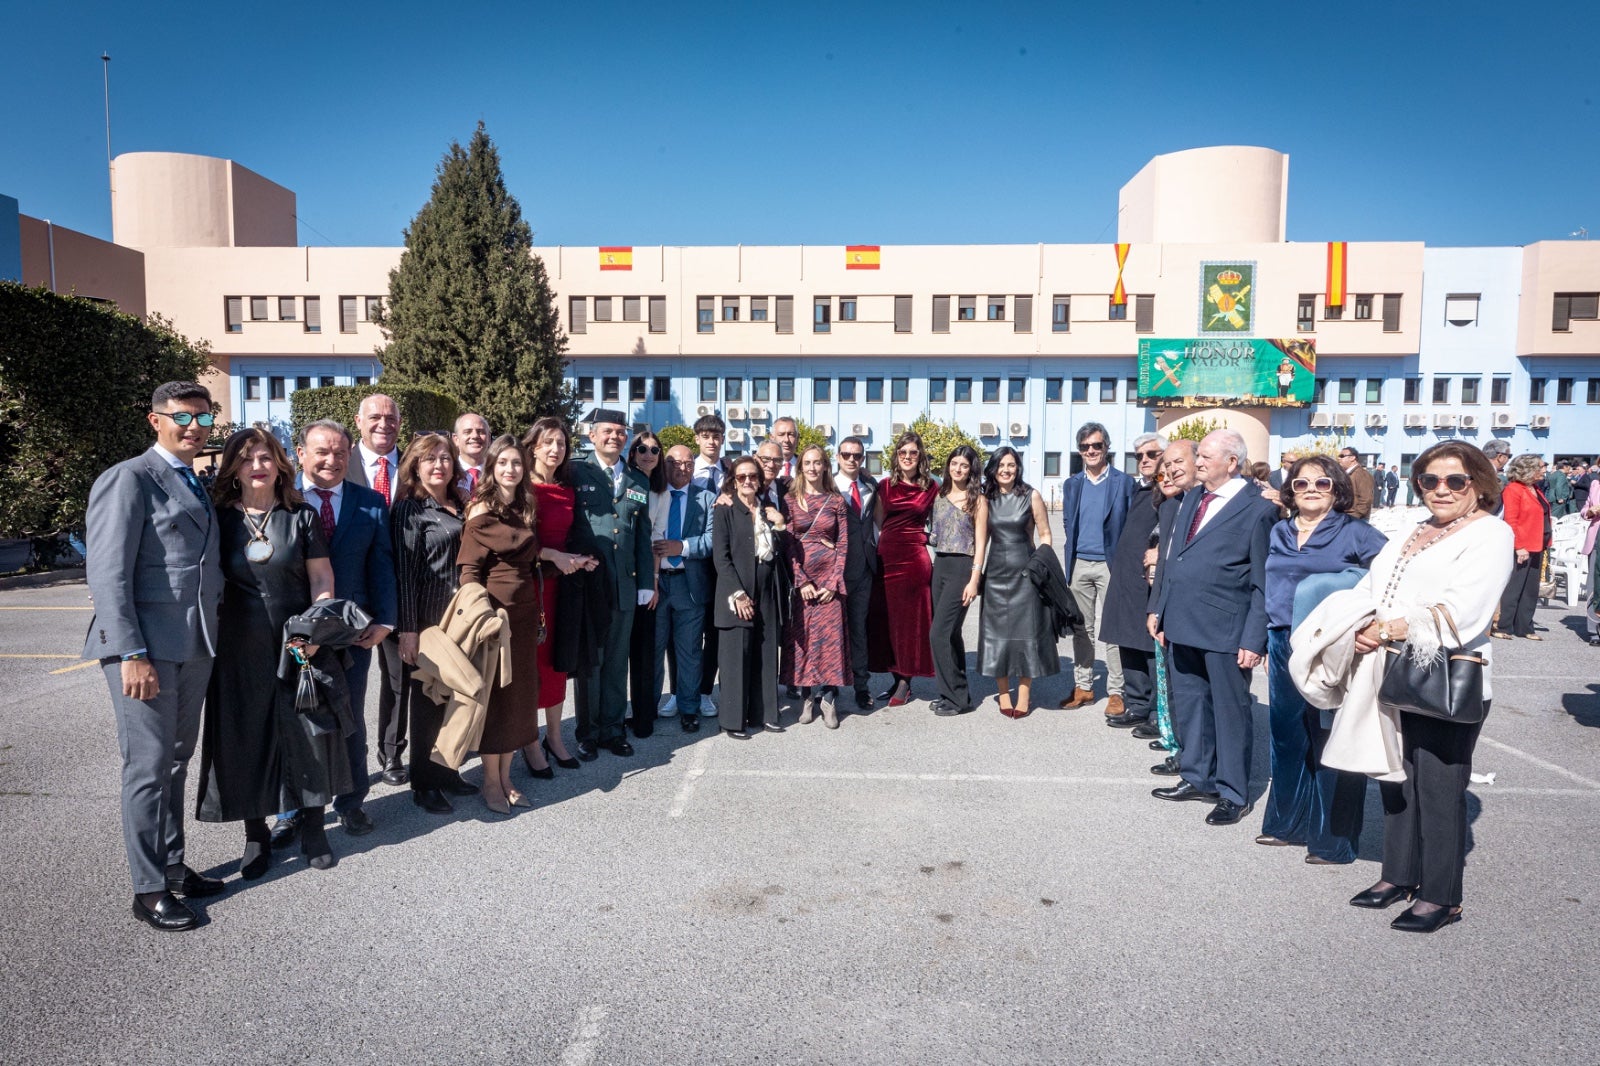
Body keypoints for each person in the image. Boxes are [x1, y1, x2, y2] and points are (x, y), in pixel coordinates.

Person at [1313, 442, 1513, 932]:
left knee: (1440, 784)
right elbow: (1373, 586)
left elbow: (1465, 612)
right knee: (1396, 775)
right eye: (1429, 480)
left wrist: (1384, 630)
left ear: (1478, 485)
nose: (1440, 490)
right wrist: (1357, 624)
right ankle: (1398, 875)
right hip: (1391, 667)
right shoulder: (1414, 530)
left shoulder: (1491, 534)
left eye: (1455, 481)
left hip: (1447, 673)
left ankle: (1442, 896)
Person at [84, 381, 226, 931]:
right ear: (155, 421)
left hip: (193, 645)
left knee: (174, 762)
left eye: (204, 419)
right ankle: (147, 891)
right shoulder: (129, 479)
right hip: (145, 649)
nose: (195, 428)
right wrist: (131, 652)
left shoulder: (194, 479)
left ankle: (171, 866)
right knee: (146, 768)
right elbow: (109, 573)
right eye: (183, 418)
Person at [195, 429, 341, 872]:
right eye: (245, 459)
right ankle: (256, 836)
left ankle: (314, 828)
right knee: (246, 740)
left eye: (264, 457)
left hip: (297, 647)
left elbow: (321, 581)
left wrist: (315, 631)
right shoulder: (218, 518)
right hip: (237, 650)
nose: (256, 465)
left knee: (307, 738)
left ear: (279, 464)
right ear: (233, 470)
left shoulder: (302, 516)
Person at [269, 420, 396, 848]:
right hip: (291, 633)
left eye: (341, 453)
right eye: (322, 451)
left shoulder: (370, 503)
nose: (332, 460)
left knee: (349, 718)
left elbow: (382, 566)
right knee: (293, 720)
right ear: (299, 453)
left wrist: (385, 621)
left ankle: (351, 801)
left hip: (352, 635)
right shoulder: (278, 502)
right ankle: (291, 810)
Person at [1256, 456, 1388, 863]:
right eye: (1302, 483)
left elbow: (1389, 583)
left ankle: (1333, 840)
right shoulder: (1279, 531)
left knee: (1331, 739)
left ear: (1337, 490)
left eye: (1323, 483)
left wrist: (1370, 630)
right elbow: (1263, 589)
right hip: (1283, 642)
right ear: (1290, 491)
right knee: (1287, 736)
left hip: (1332, 648)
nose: (1312, 489)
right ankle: (1286, 824)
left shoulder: (1356, 533)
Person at [1147, 429, 1277, 826]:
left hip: (1226, 630)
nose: (1196, 461)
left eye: (1204, 456)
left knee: (1229, 713)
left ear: (1232, 463)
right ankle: (1197, 775)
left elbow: (1263, 580)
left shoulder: (1258, 509)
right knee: (1190, 707)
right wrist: (1160, 609)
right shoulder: (1193, 498)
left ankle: (1233, 792)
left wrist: (1255, 637)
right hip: (1181, 623)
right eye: (1197, 455)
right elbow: (1174, 559)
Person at [390, 432, 479, 814]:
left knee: (455, 700)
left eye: (445, 458)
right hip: (428, 621)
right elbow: (405, 575)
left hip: (462, 619)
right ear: (415, 466)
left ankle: (447, 771)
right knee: (427, 703)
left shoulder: (460, 503)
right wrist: (408, 631)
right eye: (430, 459)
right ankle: (423, 783)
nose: (439, 464)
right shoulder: (410, 510)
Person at [457, 435, 544, 814]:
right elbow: (469, 572)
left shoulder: (523, 507)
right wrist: (482, 616)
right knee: (495, 703)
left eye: (517, 463)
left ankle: (507, 778)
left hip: (524, 619)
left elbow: (530, 561)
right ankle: (489, 782)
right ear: (491, 467)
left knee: (519, 701)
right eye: (503, 463)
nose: (511, 469)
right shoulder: (481, 511)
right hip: (495, 621)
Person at [569, 409, 654, 760]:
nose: (614, 437)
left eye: (621, 432)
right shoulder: (576, 472)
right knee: (592, 662)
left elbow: (642, 537)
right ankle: (587, 732)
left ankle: (613, 729)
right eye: (607, 431)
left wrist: (646, 583)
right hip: (590, 584)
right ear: (592, 435)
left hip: (625, 584)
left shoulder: (637, 480)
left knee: (618, 662)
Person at [522, 417, 598, 772]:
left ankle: (555, 736)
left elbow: (571, 537)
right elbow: (513, 541)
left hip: (560, 587)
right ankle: (529, 741)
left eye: (562, 444)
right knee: (529, 668)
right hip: (528, 587)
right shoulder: (520, 487)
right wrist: (552, 555)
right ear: (534, 445)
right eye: (548, 442)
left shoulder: (567, 489)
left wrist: (581, 559)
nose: (555, 449)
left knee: (556, 663)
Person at [343, 393, 408, 786]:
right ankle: (346, 764)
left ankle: (392, 753)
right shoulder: (338, 463)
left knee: (400, 680)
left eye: (391, 417)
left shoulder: (417, 464)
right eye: (375, 417)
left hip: (401, 590)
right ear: (358, 421)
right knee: (346, 687)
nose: (384, 423)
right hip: (350, 595)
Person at [1057, 422, 1137, 715]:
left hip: (1110, 564)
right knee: (1082, 628)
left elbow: (1132, 525)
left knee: (1113, 629)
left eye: (1096, 445)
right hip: (1079, 563)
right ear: (1080, 451)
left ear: (1107, 448)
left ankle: (1116, 691)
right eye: (1085, 447)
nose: (1091, 451)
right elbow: (1069, 521)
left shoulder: (1124, 482)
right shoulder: (1072, 484)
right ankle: (1084, 686)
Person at [979, 446, 1058, 717]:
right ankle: (1003, 693)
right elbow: (982, 541)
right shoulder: (986, 499)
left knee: (1027, 634)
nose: (1006, 470)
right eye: (1001, 465)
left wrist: (1040, 563)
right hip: (996, 575)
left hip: (1026, 573)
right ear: (993, 468)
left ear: (1018, 467)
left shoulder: (1031, 495)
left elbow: (1046, 534)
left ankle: (1024, 692)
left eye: (1011, 465)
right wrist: (976, 575)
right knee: (997, 635)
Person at [713, 455, 789, 737]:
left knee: (767, 652)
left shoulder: (767, 508)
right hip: (737, 590)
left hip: (767, 589)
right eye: (741, 477)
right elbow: (720, 558)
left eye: (753, 476)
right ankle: (733, 720)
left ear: (760, 480)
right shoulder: (725, 509)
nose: (747, 481)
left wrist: (780, 527)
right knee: (736, 656)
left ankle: (766, 714)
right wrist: (738, 594)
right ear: (733, 480)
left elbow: (779, 550)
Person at [868, 430, 939, 706]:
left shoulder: (931, 487)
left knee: (911, 624)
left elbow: (940, 520)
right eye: (903, 452)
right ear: (896, 456)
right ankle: (895, 674)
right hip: (887, 558)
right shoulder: (884, 486)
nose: (908, 457)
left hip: (914, 561)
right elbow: (877, 521)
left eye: (913, 452)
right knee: (889, 622)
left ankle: (905, 681)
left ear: (919, 456)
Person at [1100, 434, 1167, 729]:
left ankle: (1155, 710)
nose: (1145, 460)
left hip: (1150, 580)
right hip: (1125, 576)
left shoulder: (1170, 491)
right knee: (1127, 641)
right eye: (1139, 456)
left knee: (1148, 645)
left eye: (1152, 454)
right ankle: (1137, 704)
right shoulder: (1138, 489)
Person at [783, 444, 851, 727]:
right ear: (801, 468)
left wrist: (835, 582)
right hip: (803, 582)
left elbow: (844, 543)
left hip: (829, 580)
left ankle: (829, 698)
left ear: (825, 466)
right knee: (806, 640)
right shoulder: (789, 500)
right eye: (807, 463)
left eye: (818, 462)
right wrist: (800, 581)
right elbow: (787, 543)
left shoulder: (836, 501)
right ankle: (807, 696)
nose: (812, 468)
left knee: (830, 641)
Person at [653, 445, 716, 732]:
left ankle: (689, 708)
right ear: (664, 464)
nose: (682, 467)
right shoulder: (653, 495)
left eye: (688, 462)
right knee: (652, 650)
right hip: (655, 584)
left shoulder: (707, 499)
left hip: (688, 585)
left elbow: (712, 540)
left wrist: (683, 547)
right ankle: (648, 708)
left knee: (689, 651)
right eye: (674, 462)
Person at [928, 446, 986, 717]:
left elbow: (981, 543)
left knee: (938, 633)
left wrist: (974, 579)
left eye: (964, 465)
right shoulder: (939, 495)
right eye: (954, 464)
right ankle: (953, 693)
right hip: (940, 565)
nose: (958, 469)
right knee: (950, 635)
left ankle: (956, 699)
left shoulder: (978, 500)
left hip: (962, 568)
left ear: (971, 469)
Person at [691, 413, 733, 718]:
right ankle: (682, 691)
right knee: (685, 634)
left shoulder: (731, 472)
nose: (712, 441)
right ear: (697, 439)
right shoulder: (681, 469)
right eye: (706, 436)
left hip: (721, 564)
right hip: (690, 561)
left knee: (714, 632)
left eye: (717, 436)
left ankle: (705, 690)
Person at [627, 431, 667, 737]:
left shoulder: (660, 492)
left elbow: (657, 539)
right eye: (641, 448)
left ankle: (642, 718)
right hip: (618, 573)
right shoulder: (624, 480)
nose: (648, 453)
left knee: (643, 652)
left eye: (654, 449)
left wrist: (653, 581)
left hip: (644, 578)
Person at [837, 436, 880, 711]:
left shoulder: (870, 487)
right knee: (831, 632)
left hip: (864, 569)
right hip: (834, 571)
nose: (852, 459)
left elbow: (878, 524)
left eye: (857, 456)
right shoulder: (827, 486)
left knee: (859, 631)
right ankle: (828, 687)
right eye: (847, 455)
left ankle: (861, 687)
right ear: (838, 457)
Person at [1493, 454, 1552, 641]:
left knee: (1530, 589)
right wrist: (1519, 546)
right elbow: (1512, 519)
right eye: (1541, 466)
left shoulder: (1535, 489)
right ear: (1528, 469)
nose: (1544, 470)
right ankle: (1503, 625)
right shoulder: (1513, 490)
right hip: (1522, 545)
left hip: (1538, 544)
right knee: (1514, 587)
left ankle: (1525, 627)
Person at [452, 412, 491, 497]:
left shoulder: (496, 472)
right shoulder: (448, 472)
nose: (475, 436)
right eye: (467, 432)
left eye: (480, 431)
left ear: (489, 438)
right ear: (456, 440)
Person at [1338, 447, 1374, 520]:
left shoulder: (1361, 474)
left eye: (1342, 456)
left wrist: (1355, 516)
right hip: (1345, 516)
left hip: (1356, 519)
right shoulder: (1348, 474)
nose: (1339, 459)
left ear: (1352, 458)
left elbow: (1366, 499)